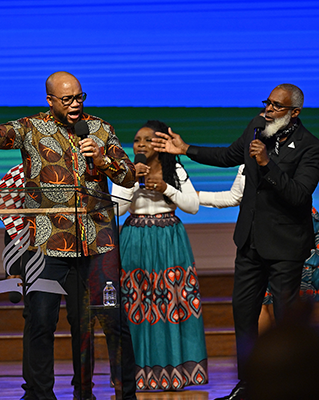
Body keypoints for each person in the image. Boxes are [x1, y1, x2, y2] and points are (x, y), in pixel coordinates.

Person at [0, 71, 138, 400]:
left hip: (97, 242)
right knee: (42, 321)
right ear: (50, 100)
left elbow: (128, 174)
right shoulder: (31, 127)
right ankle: (40, 395)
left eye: (80, 97)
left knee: (105, 320)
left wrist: (102, 158)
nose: (76, 105)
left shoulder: (101, 129)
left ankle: (99, 393)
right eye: (67, 100)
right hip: (47, 243)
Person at [151, 83, 319, 400]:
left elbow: (298, 195)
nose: (268, 109)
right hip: (250, 242)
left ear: (294, 113)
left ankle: (288, 388)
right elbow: (229, 155)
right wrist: (186, 149)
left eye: (276, 106)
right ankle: (247, 386)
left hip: (285, 246)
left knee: (284, 318)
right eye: (267, 102)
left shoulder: (310, 146)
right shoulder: (256, 128)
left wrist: (268, 165)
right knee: (243, 313)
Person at [111, 120, 208, 391]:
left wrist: (166, 188)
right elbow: (116, 210)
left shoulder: (174, 168)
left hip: (169, 241)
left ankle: (175, 372)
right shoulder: (126, 170)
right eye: (137, 139)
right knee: (136, 304)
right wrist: (132, 181)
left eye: (146, 140)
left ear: (160, 144)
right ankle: (136, 375)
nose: (140, 144)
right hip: (136, 239)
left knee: (173, 303)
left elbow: (193, 206)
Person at [198, 165, 319, 333]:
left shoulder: (295, 152)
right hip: (259, 238)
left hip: (291, 236)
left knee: (290, 304)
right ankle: (263, 356)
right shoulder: (247, 162)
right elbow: (234, 197)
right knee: (259, 301)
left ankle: (292, 355)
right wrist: (191, 196)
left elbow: (296, 192)